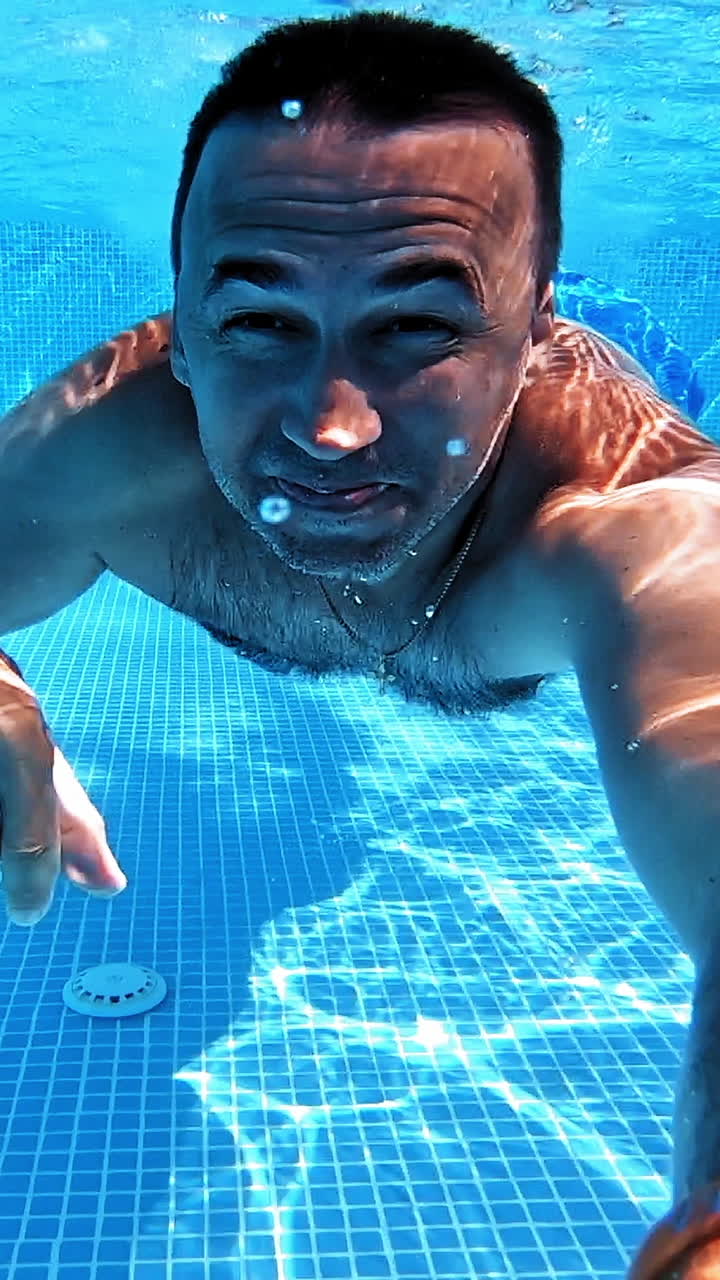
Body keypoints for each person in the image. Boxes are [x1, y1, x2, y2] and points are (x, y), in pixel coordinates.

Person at [0, 11, 718, 1276]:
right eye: (261, 321)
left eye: (419, 326)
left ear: (533, 325)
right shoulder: (103, 450)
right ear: (178, 306)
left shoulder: (623, 524)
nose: (331, 429)